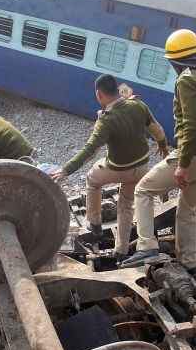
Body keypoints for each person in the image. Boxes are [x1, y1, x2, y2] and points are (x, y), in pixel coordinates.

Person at [120, 29, 196, 281]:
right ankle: (190, 265)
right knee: (187, 209)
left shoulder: (187, 80)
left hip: (194, 155)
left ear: (175, 61)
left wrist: (183, 165)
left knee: (143, 190)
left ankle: (147, 247)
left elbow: (193, 126)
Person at [49, 75, 168, 264]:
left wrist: (65, 170)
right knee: (126, 205)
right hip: (142, 166)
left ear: (99, 94)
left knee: (92, 180)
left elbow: (90, 150)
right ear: (118, 91)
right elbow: (157, 129)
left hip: (117, 169)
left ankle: (95, 223)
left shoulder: (106, 120)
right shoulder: (139, 105)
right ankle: (121, 252)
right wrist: (162, 145)